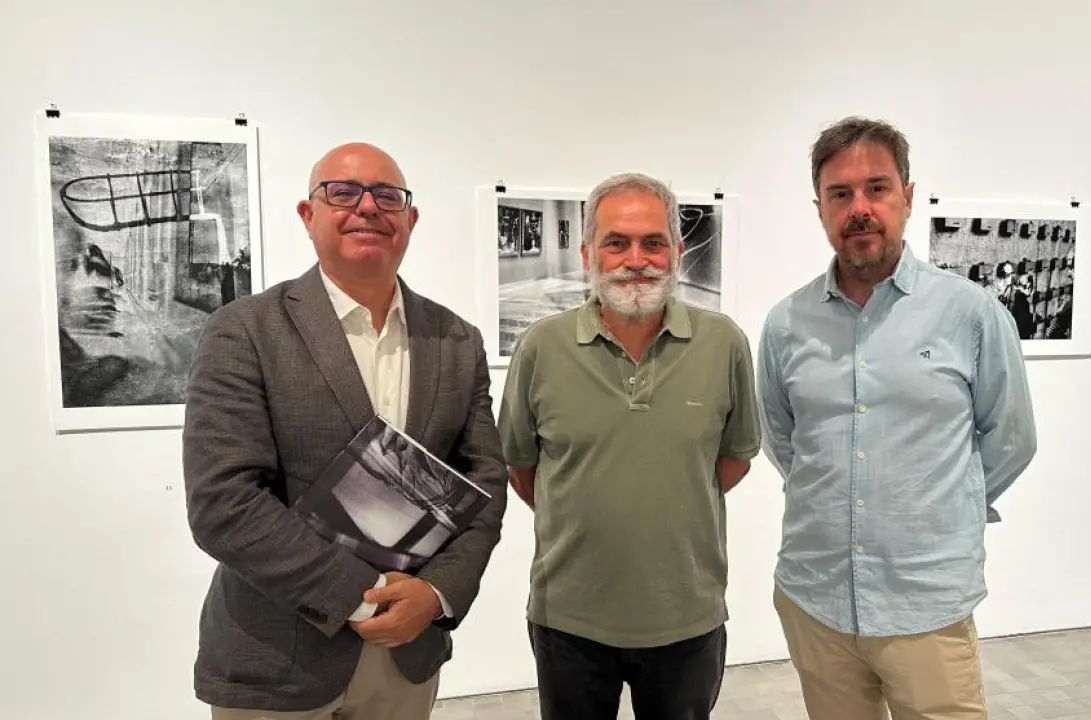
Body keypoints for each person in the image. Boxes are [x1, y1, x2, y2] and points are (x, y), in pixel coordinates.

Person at [182, 142, 508, 719]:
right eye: (343, 192)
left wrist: (436, 594)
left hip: (407, 655)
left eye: (388, 196)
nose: (368, 207)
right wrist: (361, 597)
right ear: (308, 215)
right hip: (279, 655)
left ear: (410, 219)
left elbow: (484, 485)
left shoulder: (457, 340)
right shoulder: (244, 330)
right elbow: (222, 502)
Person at [757, 116, 1037, 719]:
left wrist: (945, 505)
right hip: (816, 599)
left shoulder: (971, 313)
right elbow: (784, 442)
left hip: (926, 604)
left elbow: (1012, 437)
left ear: (907, 197)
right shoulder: (785, 324)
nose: (859, 208)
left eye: (877, 188)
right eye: (840, 193)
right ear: (820, 208)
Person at [496, 172, 762, 720]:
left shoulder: (724, 343)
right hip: (568, 619)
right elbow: (522, 468)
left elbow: (733, 460)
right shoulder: (540, 347)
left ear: (678, 253)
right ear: (588, 253)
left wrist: (668, 494)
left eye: (653, 243)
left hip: (686, 616)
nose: (635, 260)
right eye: (616, 242)